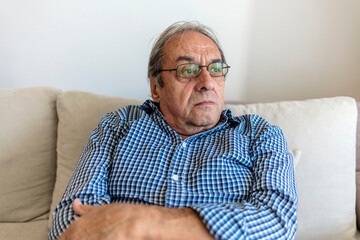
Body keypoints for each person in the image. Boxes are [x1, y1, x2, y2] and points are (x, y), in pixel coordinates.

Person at [49, 21, 297, 240]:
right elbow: (70, 218)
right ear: (156, 87)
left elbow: (278, 221)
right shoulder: (117, 126)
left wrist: (142, 223)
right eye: (187, 70)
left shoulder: (259, 135)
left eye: (216, 69)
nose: (207, 82)